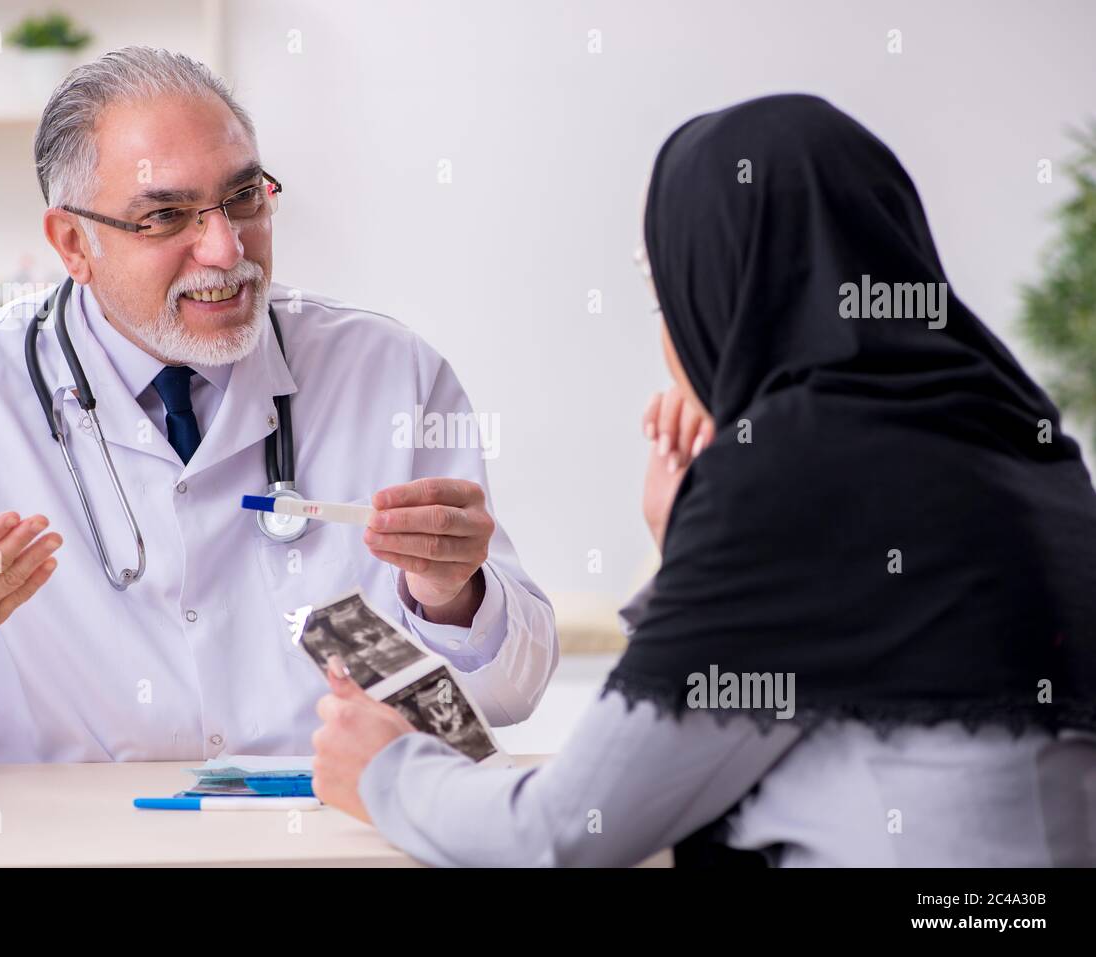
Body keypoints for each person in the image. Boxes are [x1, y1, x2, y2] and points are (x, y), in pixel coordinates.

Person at [309, 94, 1096, 866]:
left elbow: (563, 832)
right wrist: (683, 541)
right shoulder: (1030, 448)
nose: (670, 339)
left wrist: (387, 770)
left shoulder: (798, 475)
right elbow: (725, 730)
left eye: (666, 298)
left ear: (726, 294)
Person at [0, 47, 556, 766]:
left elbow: (514, 690)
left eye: (242, 196)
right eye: (166, 217)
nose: (227, 250)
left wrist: (454, 592)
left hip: (332, 836)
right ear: (72, 242)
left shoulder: (393, 375)